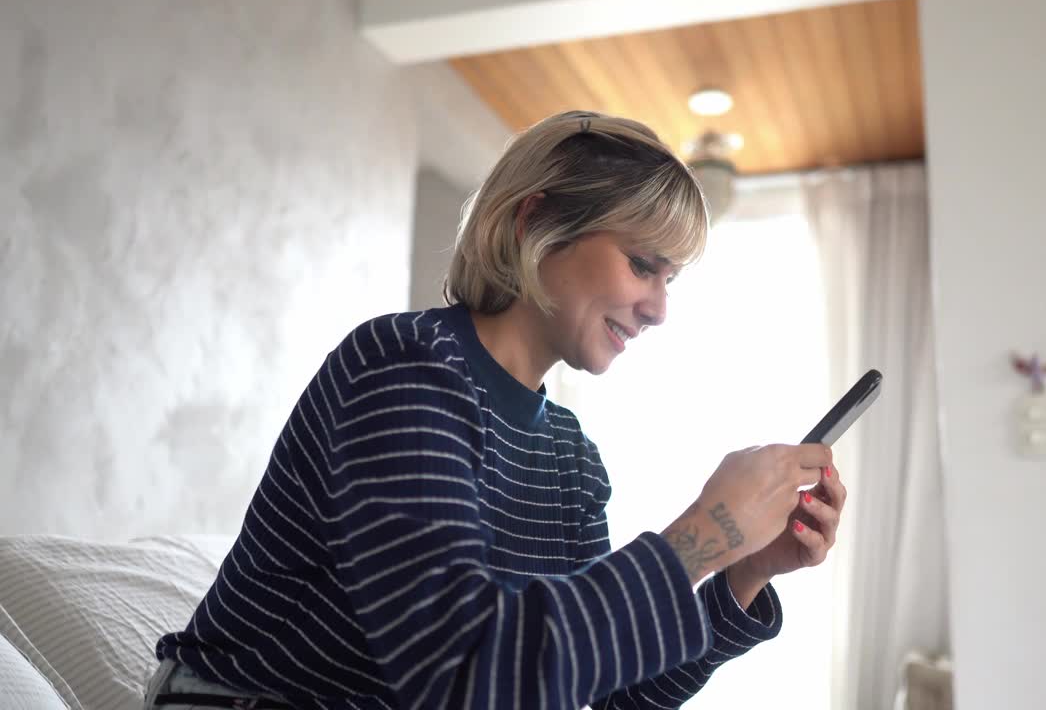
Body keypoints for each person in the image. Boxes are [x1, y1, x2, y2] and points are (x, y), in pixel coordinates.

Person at [144, 110, 847, 709]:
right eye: (642, 263)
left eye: (671, 279)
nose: (660, 308)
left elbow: (605, 690)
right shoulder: (405, 366)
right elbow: (460, 673)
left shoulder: (569, 457)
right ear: (536, 221)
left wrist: (747, 567)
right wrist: (706, 532)